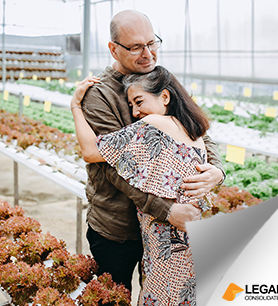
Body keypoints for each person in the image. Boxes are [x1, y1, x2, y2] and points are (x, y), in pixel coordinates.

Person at [78, 10, 225, 291]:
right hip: (119, 227)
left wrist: (217, 170)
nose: (147, 54)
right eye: (135, 47)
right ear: (113, 49)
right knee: (115, 296)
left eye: (152, 43)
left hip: (165, 232)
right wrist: (167, 209)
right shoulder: (100, 94)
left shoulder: (160, 79)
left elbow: (195, 126)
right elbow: (113, 167)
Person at [71, 66, 213, 305]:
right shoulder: (192, 131)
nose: (135, 112)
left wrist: (75, 106)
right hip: (184, 244)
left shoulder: (156, 125)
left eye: (139, 102)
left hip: (167, 250)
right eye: (131, 105)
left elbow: (90, 150)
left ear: (165, 97)